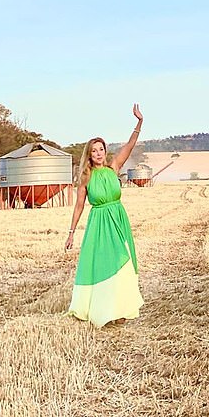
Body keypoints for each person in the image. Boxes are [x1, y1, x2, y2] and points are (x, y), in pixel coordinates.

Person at [65, 104, 144, 327]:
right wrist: (71, 233)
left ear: (105, 151)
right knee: (103, 265)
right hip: (99, 224)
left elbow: (130, 145)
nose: (98, 154)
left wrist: (139, 122)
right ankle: (103, 309)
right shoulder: (86, 177)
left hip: (118, 220)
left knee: (123, 262)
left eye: (101, 149)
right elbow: (79, 206)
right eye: (94, 151)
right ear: (89, 155)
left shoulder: (114, 168)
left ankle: (120, 309)